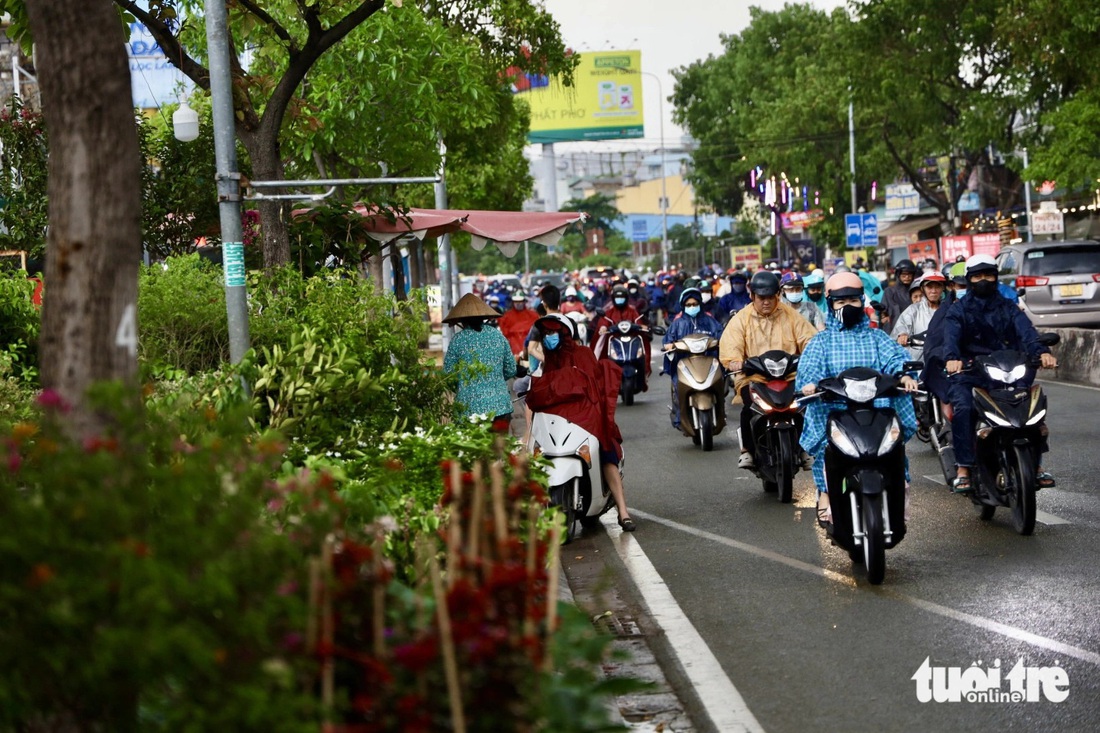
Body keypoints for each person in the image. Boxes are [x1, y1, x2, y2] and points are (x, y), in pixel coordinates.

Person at [794, 272, 919, 528]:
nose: (847, 307)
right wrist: (808, 385)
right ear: (831, 305)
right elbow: (810, 370)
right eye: (841, 302)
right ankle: (826, 493)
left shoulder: (877, 338)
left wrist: (903, 376)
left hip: (877, 411)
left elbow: (896, 359)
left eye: (852, 300)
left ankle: (896, 493)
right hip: (835, 411)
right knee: (824, 448)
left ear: (862, 302)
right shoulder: (821, 342)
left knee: (895, 449)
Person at [942, 254, 1058, 492]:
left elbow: (1028, 333)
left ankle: (1035, 465)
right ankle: (964, 467)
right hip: (971, 372)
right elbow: (950, 340)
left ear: (996, 277)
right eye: (977, 276)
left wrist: (1042, 352)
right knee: (963, 407)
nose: (983, 280)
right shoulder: (958, 311)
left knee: (1032, 407)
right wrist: (953, 359)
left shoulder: (1009, 308)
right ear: (969, 279)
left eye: (988, 275)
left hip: (1009, 371)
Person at [525, 315, 636, 531]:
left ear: (566, 334)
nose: (549, 337)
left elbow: (595, 387)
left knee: (606, 454)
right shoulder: (549, 361)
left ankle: (623, 511)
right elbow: (544, 393)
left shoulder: (584, 354)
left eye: (553, 333)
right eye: (546, 334)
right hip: (559, 423)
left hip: (588, 417)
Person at [719, 270, 817, 469]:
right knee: (748, 410)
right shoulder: (741, 319)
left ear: (778, 295)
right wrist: (735, 361)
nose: (766, 302)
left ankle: (805, 448)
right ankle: (747, 451)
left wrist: (811, 354)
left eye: (771, 297)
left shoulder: (791, 316)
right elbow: (731, 344)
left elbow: (809, 338)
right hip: (754, 378)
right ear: (752, 296)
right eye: (761, 297)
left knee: (803, 408)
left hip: (789, 376)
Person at [443, 293, 517, 432]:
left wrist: (463, 388)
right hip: (500, 406)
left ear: (462, 321)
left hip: (468, 409)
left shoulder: (458, 340)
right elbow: (511, 369)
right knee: (498, 451)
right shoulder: (498, 336)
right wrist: (494, 379)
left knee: (474, 451)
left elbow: (448, 376)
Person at [662, 287, 724, 429]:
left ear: (700, 304)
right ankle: (679, 417)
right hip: (684, 362)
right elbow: (668, 340)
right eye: (688, 305)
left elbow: (720, 334)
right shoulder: (678, 323)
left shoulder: (709, 321)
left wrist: (721, 341)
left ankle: (721, 411)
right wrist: (669, 345)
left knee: (720, 380)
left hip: (708, 361)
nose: (692, 307)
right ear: (683, 306)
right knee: (678, 385)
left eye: (695, 304)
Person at [893, 271, 947, 361]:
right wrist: (902, 334)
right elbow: (902, 325)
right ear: (922, 289)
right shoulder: (913, 309)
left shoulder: (949, 309)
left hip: (942, 357)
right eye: (929, 287)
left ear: (943, 288)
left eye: (937, 286)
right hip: (917, 359)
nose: (933, 291)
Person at [881, 259, 920, 334]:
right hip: (894, 330)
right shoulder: (889, 291)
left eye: (909, 275)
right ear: (898, 275)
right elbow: (884, 311)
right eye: (904, 275)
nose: (907, 277)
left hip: (915, 328)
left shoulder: (917, 290)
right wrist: (882, 313)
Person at [498, 290, 539, 359]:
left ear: (524, 302)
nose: (518, 304)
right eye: (516, 302)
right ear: (513, 302)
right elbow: (504, 333)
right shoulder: (507, 316)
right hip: (513, 350)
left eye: (520, 301)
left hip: (530, 349)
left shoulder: (533, 315)